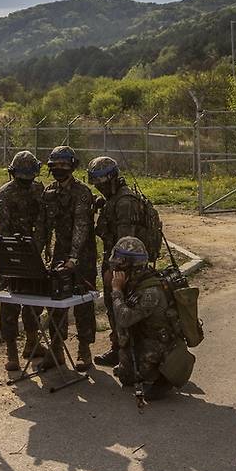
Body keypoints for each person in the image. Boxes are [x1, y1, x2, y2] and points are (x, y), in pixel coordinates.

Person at [88, 156, 160, 368]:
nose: (98, 187)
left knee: (121, 306)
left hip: (125, 267)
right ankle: (121, 347)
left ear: (111, 178)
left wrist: (115, 271)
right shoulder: (115, 198)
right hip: (121, 262)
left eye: (101, 183)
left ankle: (126, 353)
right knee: (116, 308)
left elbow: (125, 244)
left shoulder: (124, 203)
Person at [110, 236, 193, 401]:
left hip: (160, 343)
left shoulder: (150, 292)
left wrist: (116, 290)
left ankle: (164, 376)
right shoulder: (137, 281)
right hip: (147, 336)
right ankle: (146, 368)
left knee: (139, 374)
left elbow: (124, 319)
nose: (116, 268)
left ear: (131, 265)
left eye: (120, 264)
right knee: (126, 378)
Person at [41, 146, 97, 372]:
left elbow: (81, 226)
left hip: (83, 255)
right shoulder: (49, 191)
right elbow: (44, 225)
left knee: (83, 301)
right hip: (60, 252)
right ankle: (56, 348)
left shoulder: (82, 192)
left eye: (64, 165)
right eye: (55, 166)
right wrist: (40, 248)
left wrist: (74, 258)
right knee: (56, 301)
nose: (59, 169)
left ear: (72, 166)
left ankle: (84, 349)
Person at [0, 150, 47, 371]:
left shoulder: (36, 190)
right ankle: (13, 351)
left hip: (27, 254)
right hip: (14, 256)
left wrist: (35, 249)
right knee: (12, 303)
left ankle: (31, 344)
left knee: (30, 300)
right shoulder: (6, 194)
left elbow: (43, 222)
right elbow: (3, 230)